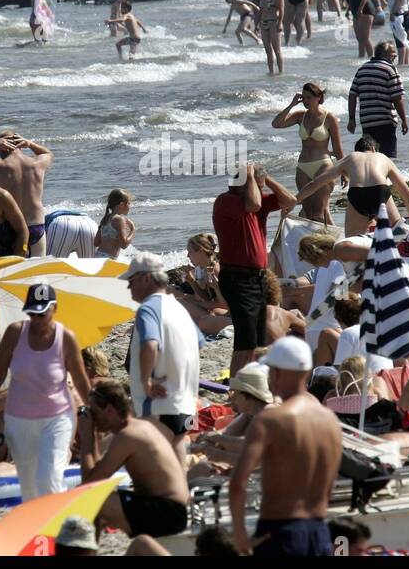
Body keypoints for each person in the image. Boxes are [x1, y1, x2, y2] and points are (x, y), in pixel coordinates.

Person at [0, 284, 91, 500]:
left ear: (54, 308)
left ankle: (57, 526)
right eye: (32, 313)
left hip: (58, 418)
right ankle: (39, 530)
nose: (37, 318)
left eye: (42, 312)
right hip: (19, 420)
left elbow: (81, 380)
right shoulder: (14, 333)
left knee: (49, 478)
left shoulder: (66, 338)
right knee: (28, 486)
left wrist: (94, 411)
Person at [230, 337, 342, 556]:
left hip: (280, 533)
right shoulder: (329, 420)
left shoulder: (271, 420)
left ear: (278, 372)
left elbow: (238, 483)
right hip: (319, 531)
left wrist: (239, 533)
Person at [212, 163, 298, 375]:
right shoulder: (227, 201)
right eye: (257, 186)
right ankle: (236, 388)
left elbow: (291, 201)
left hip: (257, 278)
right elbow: (253, 204)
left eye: (261, 188)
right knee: (245, 341)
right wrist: (250, 177)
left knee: (259, 339)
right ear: (240, 185)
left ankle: (251, 383)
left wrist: (266, 179)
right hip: (237, 278)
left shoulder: (255, 200)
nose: (261, 191)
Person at [81, 379, 191, 539]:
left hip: (168, 512)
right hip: (174, 508)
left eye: (95, 412)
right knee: (96, 496)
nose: (94, 419)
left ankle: (87, 552)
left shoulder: (127, 436)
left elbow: (89, 484)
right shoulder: (141, 426)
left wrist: (86, 438)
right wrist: (93, 438)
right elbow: (98, 475)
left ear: (110, 410)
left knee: (90, 499)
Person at [122, 253, 201, 466]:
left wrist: (146, 380)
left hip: (160, 403)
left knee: (156, 465)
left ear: (147, 279)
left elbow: (150, 343)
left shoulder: (148, 308)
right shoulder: (178, 308)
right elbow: (199, 342)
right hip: (186, 400)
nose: (129, 288)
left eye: (131, 281)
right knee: (177, 462)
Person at [296, 134, 409, 238]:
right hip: (380, 191)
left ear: (357, 150)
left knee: (352, 240)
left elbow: (316, 183)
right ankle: (399, 235)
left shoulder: (351, 158)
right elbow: (407, 195)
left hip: (357, 194)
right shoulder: (382, 157)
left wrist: (296, 199)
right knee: (398, 231)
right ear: (373, 149)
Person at [271, 82, 344, 222]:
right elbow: (276, 124)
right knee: (307, 213)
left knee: (319, 213)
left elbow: (338, 149)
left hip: (323, 166)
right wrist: (292, 104)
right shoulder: (300, 116)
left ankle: (329, 242)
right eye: (303, 98)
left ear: (318, 98)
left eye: (309, 97)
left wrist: (344, 173)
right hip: (303, 167)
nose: (305, 101)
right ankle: (310, 242)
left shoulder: (330, 119)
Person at [348, 41, 408, 159]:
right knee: (387, 159)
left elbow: (352, 95)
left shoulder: (362, 69)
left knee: (370, 157)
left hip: (367, 122)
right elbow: (397, 98)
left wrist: (351, 119)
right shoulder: (390, 69)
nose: (395, 56)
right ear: (383, 54)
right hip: (385, 122)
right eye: (392, 53)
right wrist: (404, 120)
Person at [94, 188, 135, 258]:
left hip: (98, 256)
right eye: (128, 203)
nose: (129, 207)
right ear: (122, 204)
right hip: (108, 259)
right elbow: (124, 245)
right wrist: (133, 230)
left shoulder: (106, 218)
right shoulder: (119, 219)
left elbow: (96, 243)